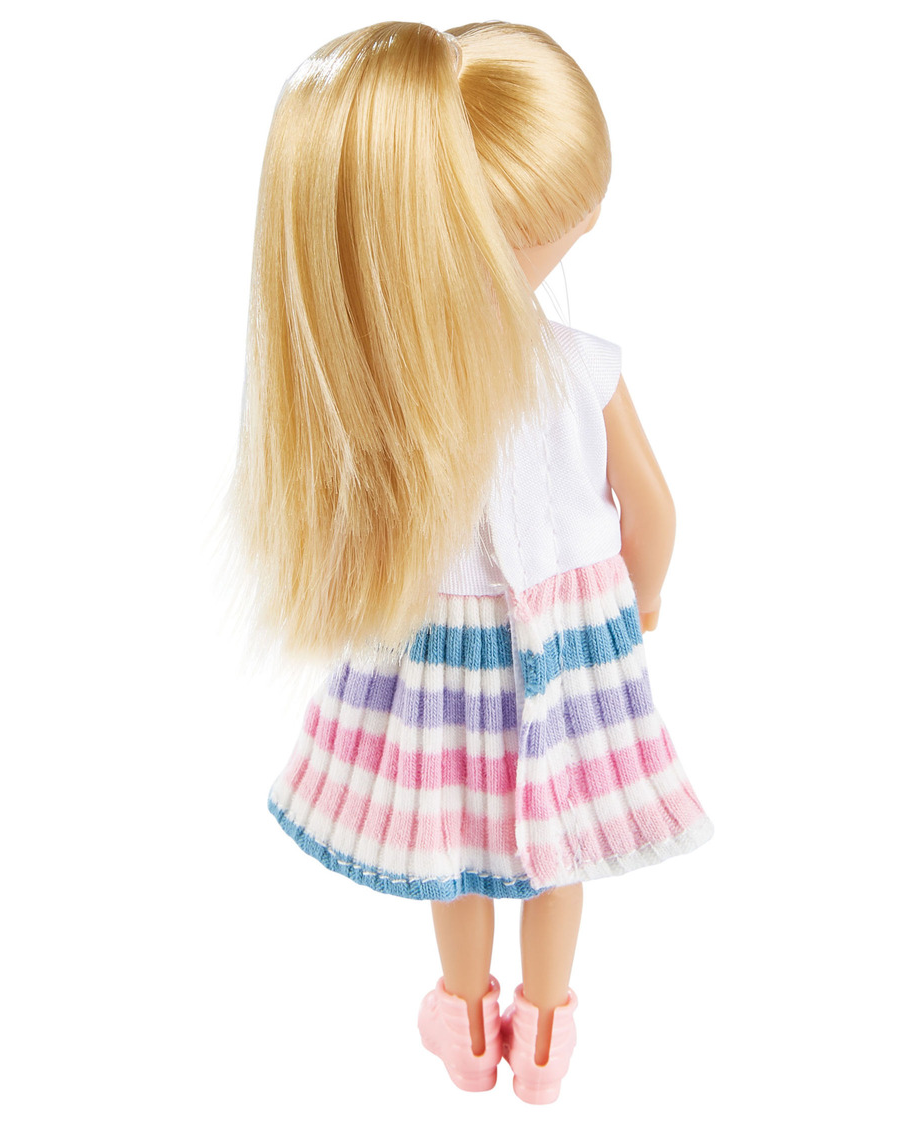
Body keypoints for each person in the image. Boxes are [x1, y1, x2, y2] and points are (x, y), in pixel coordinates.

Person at [224, 20, 712, 1104]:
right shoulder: (581, 368)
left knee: (456, 840)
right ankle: (542, 1036)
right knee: (555, 843)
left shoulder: (394, 381)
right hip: (566, 633)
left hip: (441, 644)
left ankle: (468, 1021)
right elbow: (654, 509)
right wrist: (645, 597)